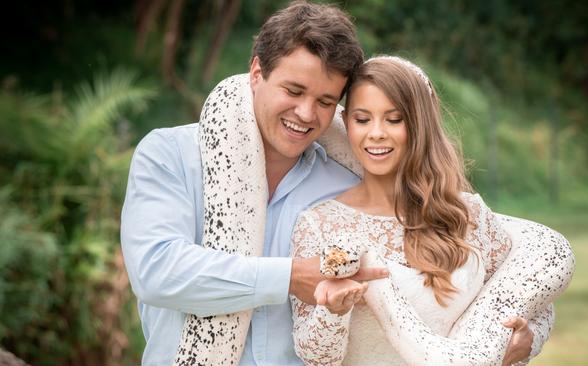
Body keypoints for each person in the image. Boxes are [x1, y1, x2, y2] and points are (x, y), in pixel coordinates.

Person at [121, 1, 547, 365]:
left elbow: (465, 281)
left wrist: (527, 339)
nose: (306, 114)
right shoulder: (170, 155)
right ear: (255, 73)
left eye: (326, 101)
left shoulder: (346, 181)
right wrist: (290, 277)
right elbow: (156, 271)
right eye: (293, 90)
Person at [290, 56, 574, 365]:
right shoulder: (320, 225)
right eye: (363, 119)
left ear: (418, 125)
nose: (376, 133)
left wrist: (528, 339)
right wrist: (332, 311)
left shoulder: (467, 214)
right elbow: (315, 357)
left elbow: (536, 300)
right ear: (347, 124)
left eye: (394, 119)